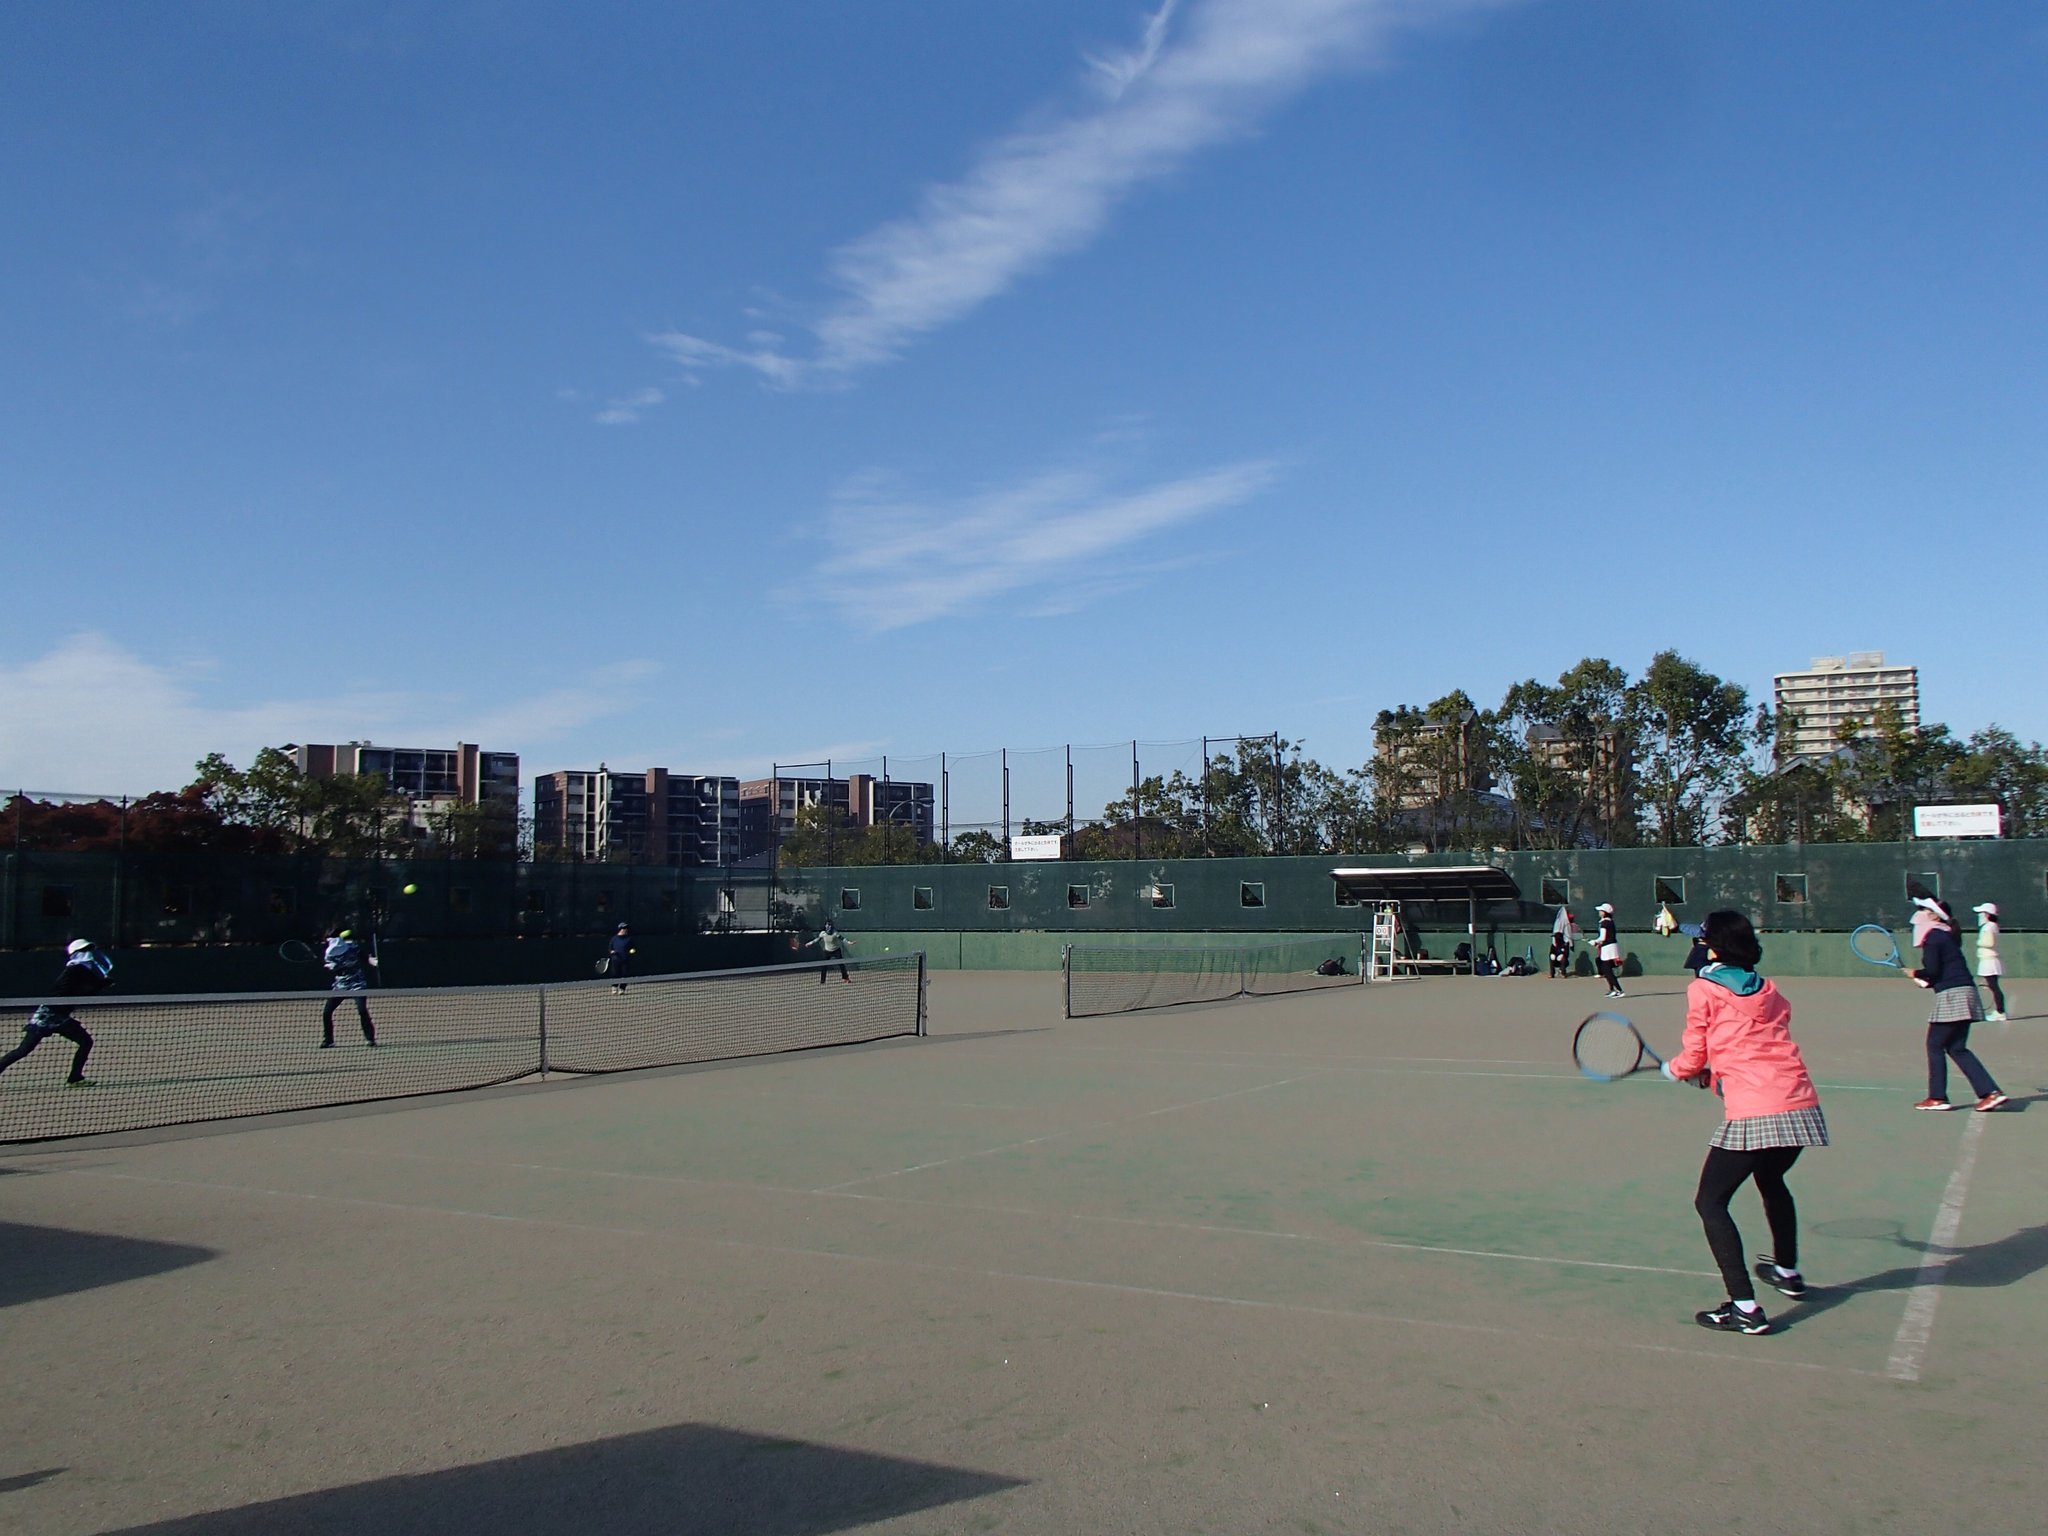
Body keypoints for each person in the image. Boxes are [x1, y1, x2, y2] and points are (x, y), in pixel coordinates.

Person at [1661, 909, 1827, 1336]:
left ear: (1712, 948)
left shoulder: (1703, 989)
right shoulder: (1769, 989)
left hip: (1758, 1110)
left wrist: (1677, 1070)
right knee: (1771, 1179)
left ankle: (1745, 1308)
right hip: (1800, 1104)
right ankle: (1787, 1271)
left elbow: (1694, 1054)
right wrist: (1713, 1076)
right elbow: (1757, 1046)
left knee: (1710, 1202)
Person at [1907, 898, 2004, 1111]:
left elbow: (1933, 971)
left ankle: (1937, 1098)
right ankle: (1991, 1093)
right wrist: (1925, 980)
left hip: (1954, 995)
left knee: (1935, 1045)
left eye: (1923, 910)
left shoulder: (1933, 937)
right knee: (1956, 1047)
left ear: (1934, 915)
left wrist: (1916, 973)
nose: (1918, 915)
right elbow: (1941, 972)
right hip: (1966, 991)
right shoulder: (1945, 936)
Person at [0, 938, 112, 1086]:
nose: (88, 953)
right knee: (23, 1050)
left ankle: (75, 1078)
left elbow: (83, 992)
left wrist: (99, 984)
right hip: (47, 1016)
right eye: (84, 950)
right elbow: (70, 993)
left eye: (89, 950)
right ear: (75, 954)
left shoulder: (84, 970)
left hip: (62, 1017)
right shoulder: (74, 970)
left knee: (86, 1042)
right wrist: (99, 985)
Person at [320, 926, 378, 1048]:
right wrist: (332, 967)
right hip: (340, 985)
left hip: (357, 984)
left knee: (362, 1010)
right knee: (327, 1012)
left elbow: (362, 956)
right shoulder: (329, 953)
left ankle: (370, 1039)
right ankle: (328, 1041)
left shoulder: (352, 947)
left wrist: (371, 960)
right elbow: (335, 968)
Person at [1972, 902, 2008, 1022]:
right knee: (1993, 987)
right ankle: (1999, 1011)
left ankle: (2000, 1012)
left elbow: (1989, 943)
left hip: (1989, 962)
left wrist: (1979, 942)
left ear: (1987, 914)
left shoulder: (1989, 927)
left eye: (1982, 913)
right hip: (1988, 960)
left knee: (1994, 987)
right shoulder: (1991, 926)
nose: (1980, 915)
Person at [1594, 903, 1625, 998]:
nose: (1599, 912)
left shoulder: (1604, 923)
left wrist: (1595, 941)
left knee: (1607, 970)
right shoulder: (1610, 921)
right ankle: (1612, 990)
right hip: (1611, 947)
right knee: (1607, 969)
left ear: (1605, 912)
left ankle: (1619, 990)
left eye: (1601, 910)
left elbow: (1603, 937)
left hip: (1608, 948)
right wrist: (1598, 942)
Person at [807, 918, 851, 983]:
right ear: (825, 926)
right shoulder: (823, 933)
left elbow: (842, 938)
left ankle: (845, 978)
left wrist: (848, 942)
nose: (828, 926)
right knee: (824, 966)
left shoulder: (835, 933)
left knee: (841, 964)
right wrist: (810, 943)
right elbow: (817, 939)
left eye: (830, 925)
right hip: (827, 951)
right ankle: (822, 981)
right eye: (827, 925)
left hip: (836, 951)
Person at [606, 923, 635, 994]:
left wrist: (631, 951)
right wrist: (612, 951)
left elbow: (633, 948)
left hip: (625, 960)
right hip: (616, 960)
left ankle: (622, 989)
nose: (625, 930)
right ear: (620, 929)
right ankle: (614, 987)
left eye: (626, 928)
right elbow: (610, 948)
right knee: (615, 974)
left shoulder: (629, 939)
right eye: (624, 928)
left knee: (625, 974)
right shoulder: (614, 938)